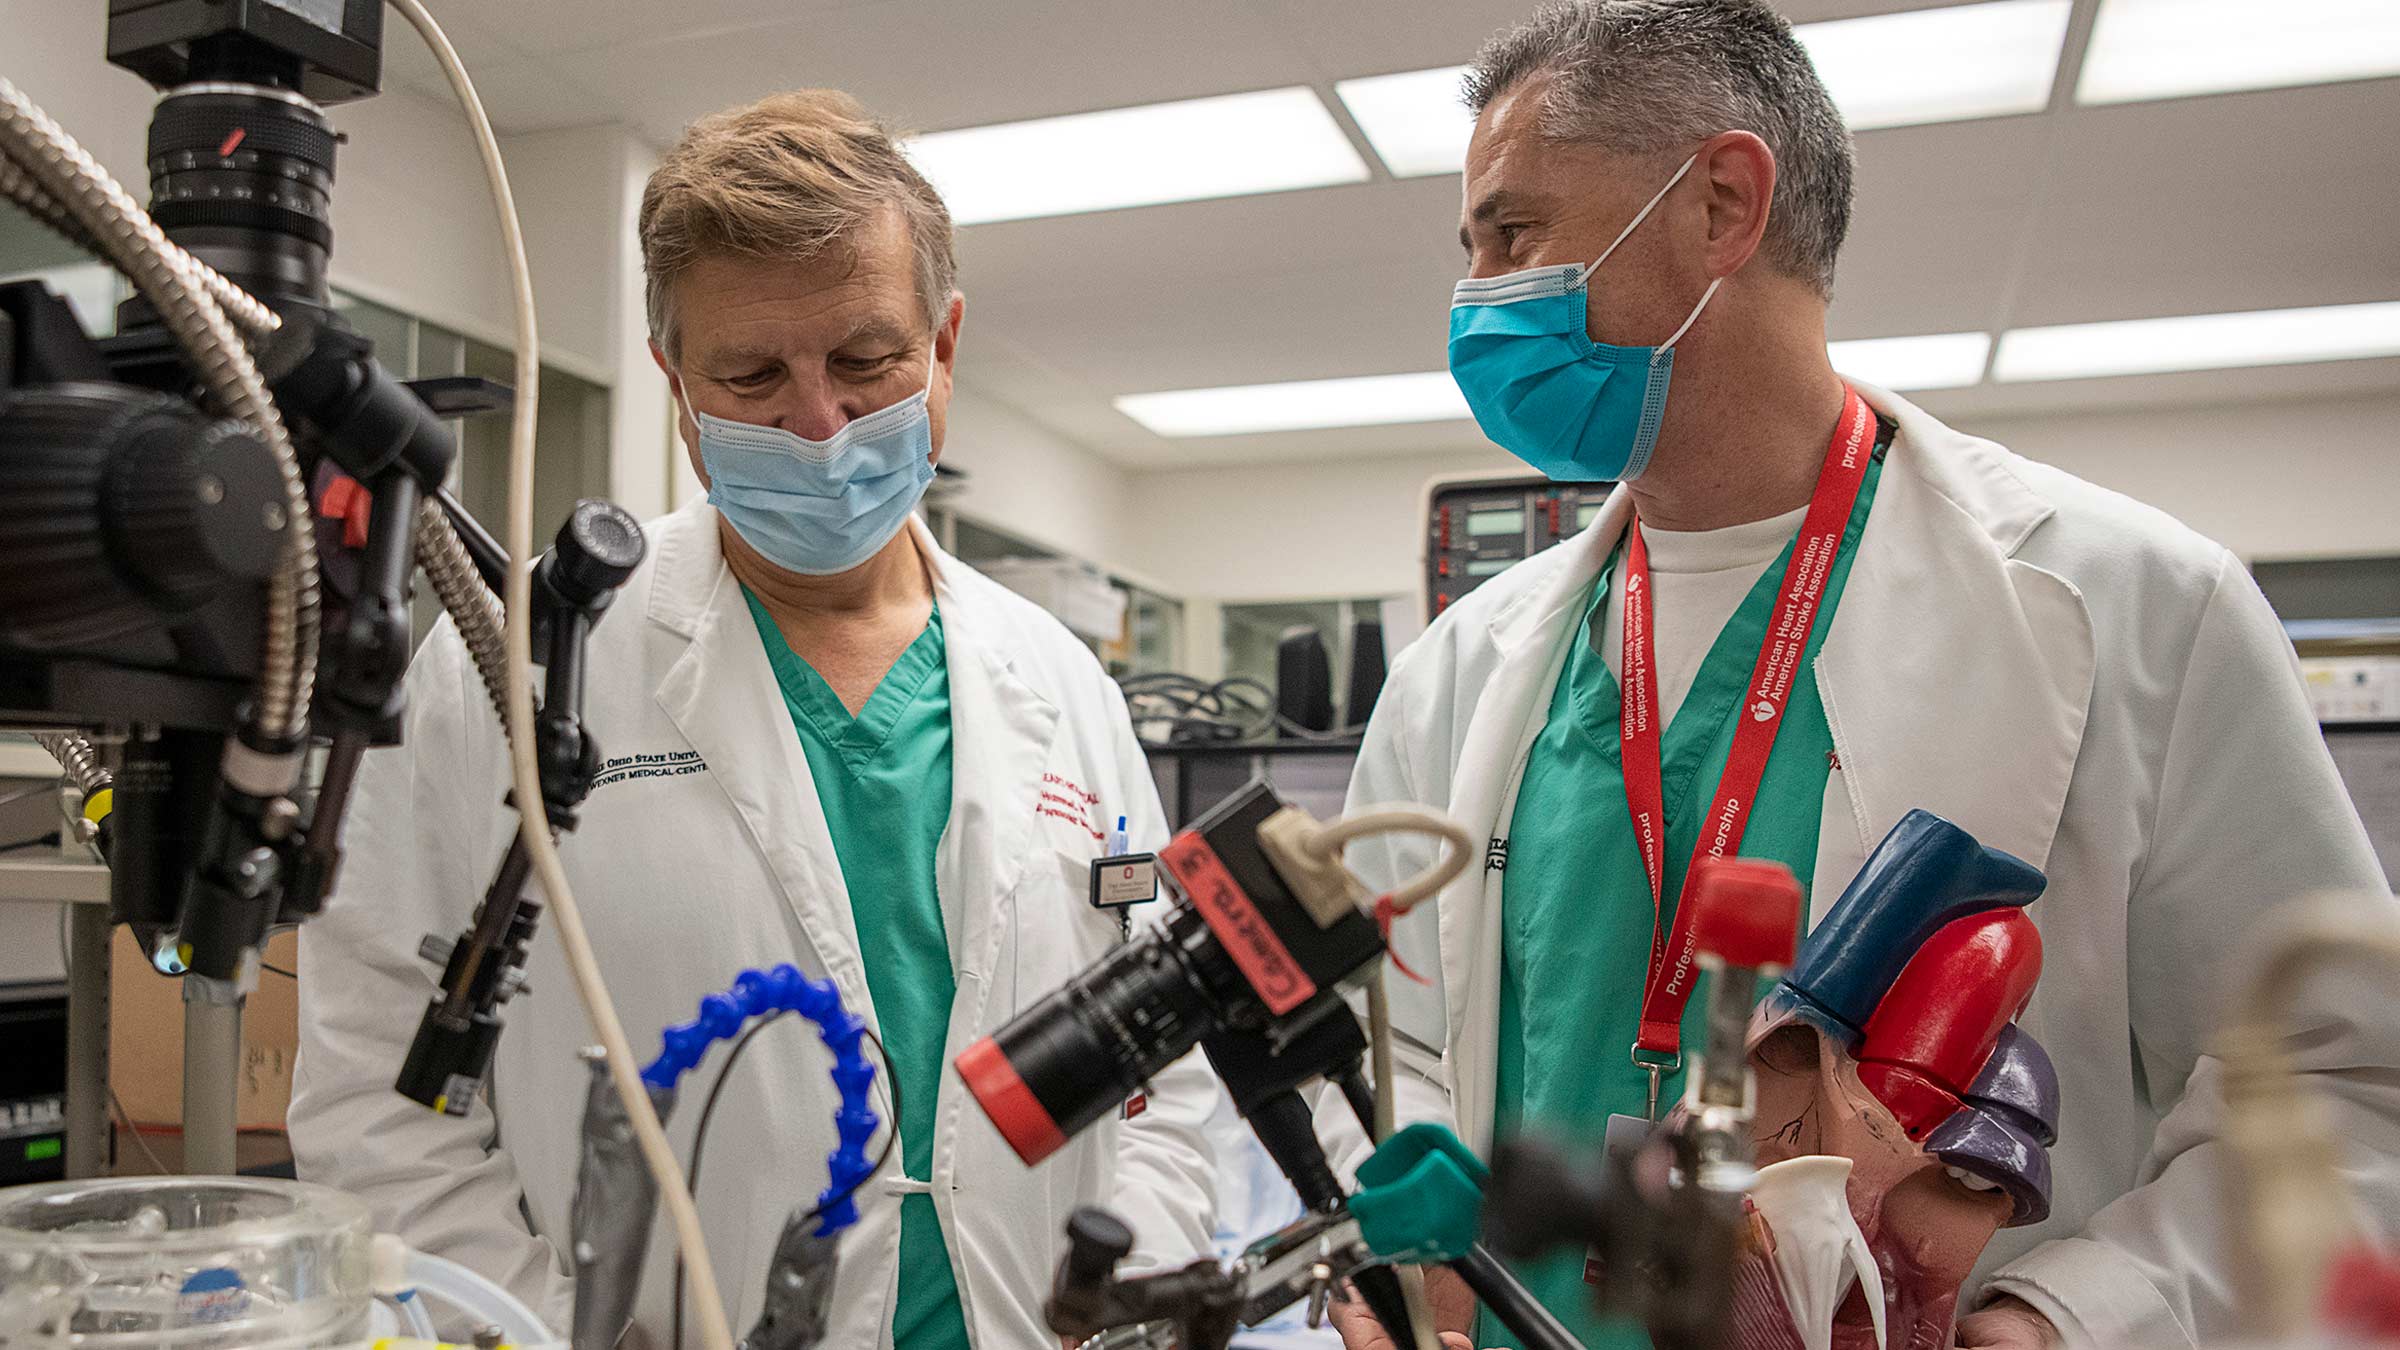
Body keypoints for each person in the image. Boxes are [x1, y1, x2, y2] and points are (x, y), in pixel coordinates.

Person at [1325, 4, 2397, 1349]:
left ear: (1723, 201)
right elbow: (1394, 1053)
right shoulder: (1459, 673)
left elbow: (2339, 1096)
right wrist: (1381, 1260)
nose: (1476, 293)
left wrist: (2057, 1319)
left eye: (1512, 232)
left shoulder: (2138, 608)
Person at [289, 90, 1217, 1347]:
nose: (820, 423)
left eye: (867, 359)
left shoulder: (1063, 683)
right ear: (674, 382)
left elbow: (1166, 1068)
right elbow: (374, 1095)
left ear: (945, 344)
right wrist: (542, 1330)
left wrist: (1135, 1303)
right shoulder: (503, 661)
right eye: (753, 373)